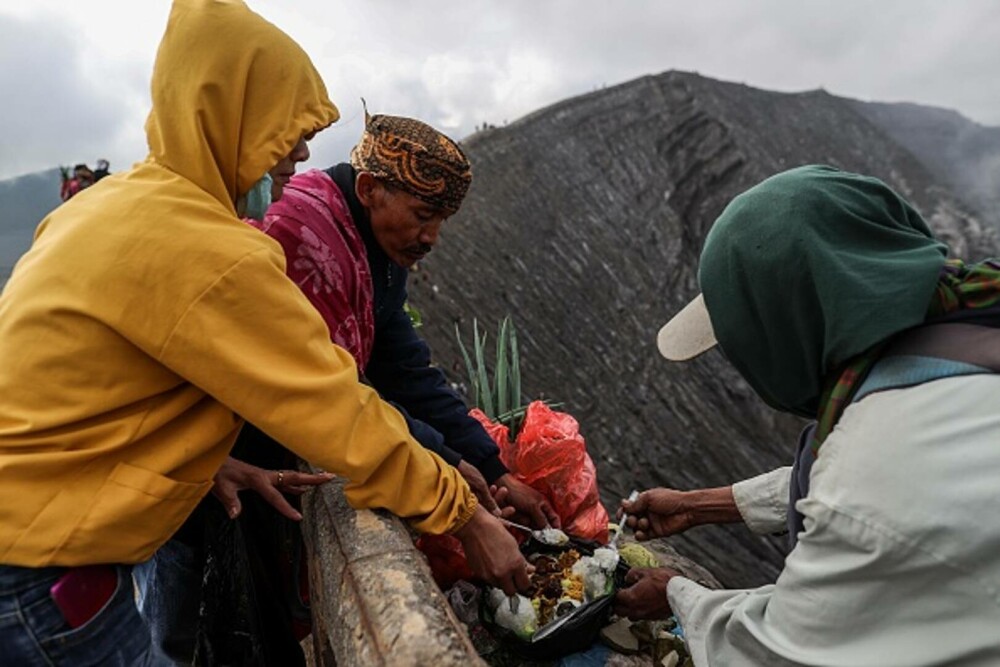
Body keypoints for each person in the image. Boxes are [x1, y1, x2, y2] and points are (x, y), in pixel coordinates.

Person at [0, 2, 528, 665]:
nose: (302, 150)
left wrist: (203, 461)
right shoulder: (211, 251)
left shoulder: (110, 207)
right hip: (40, 571)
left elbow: (77, 385)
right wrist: (462, 512)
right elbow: (334, 408)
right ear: (229, 119)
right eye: (284, 127)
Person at [137, 110, 560, 666]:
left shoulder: (372, 246)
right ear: (370, 189)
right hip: (210, 469)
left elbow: (404, 369)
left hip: (257, 468)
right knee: (199, 631)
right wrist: (452, 486)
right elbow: (336, 397)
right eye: (424, 214)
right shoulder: (306, 237)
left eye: (442, 220)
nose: (431, 236)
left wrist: (489, 464)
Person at [613, 165, 1000, 665]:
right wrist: (702, 505)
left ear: (779, 333)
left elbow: (779, 651)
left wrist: (676, 595)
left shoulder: (871, 479)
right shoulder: (967, 322)